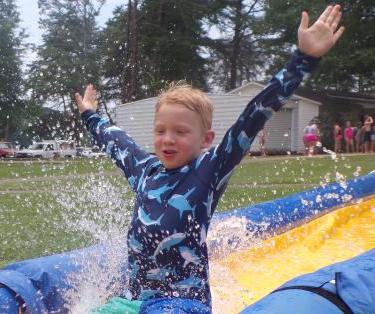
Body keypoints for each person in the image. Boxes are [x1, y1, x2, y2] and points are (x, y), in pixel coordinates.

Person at [75, 5, 344, 313]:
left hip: (184, 306)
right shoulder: (145, 172)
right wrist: (89, 114)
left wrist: (304, 59)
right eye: (160, 130)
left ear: (206, 140)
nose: (167, 139)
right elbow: (116, 142)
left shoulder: (208, 170)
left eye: (180, 131)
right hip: (137, 302)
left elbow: (254, 116)